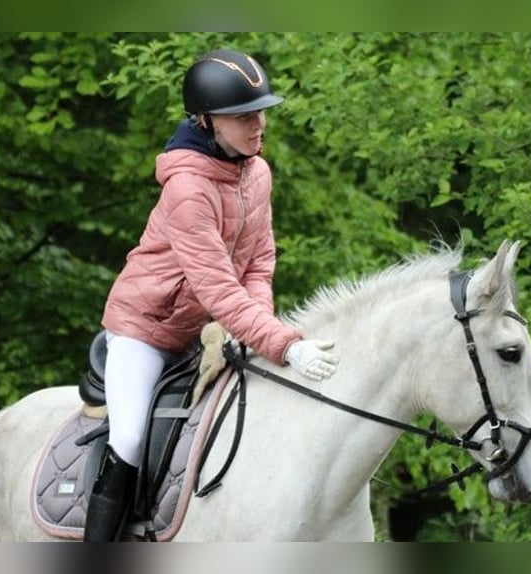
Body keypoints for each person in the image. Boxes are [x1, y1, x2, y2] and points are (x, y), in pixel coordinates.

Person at [83, 48, 340, 542]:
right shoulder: (187, 188)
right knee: (131, 437)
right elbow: (217, 285)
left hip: (208, 329)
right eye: (243, 116)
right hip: (146, 331)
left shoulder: (256, 172)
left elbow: (260, 261)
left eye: (261, 111)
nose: (258, 124)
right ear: (205, 121)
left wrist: (255, 328)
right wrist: (283, 343)